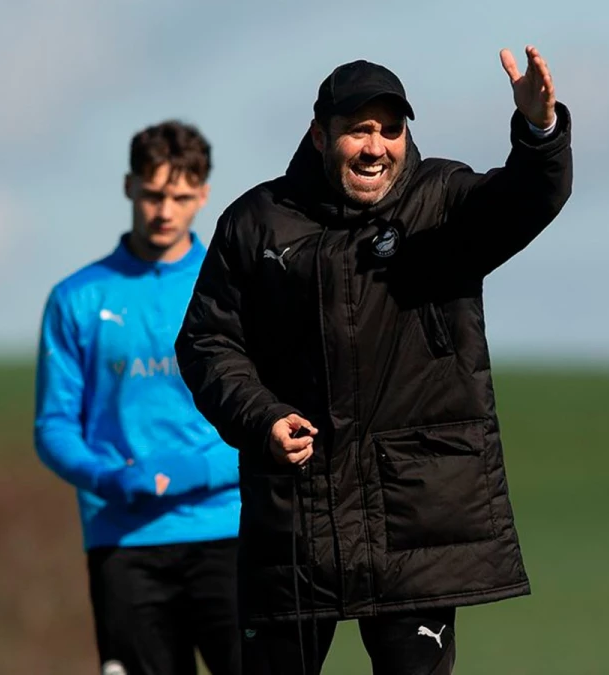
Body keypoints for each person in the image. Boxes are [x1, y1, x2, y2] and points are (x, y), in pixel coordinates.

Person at [173, 46, 572, 675]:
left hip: (415, 527)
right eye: (359, 130)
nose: (376, 146)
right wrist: (262, 417)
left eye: (390, 130)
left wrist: (538, 131)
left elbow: (529, 197)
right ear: (318, 135)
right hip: (295, 528)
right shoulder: (257, 223)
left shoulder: (443, 201)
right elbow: (207, 343)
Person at [33, 120, 242, 675]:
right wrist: (108, 477)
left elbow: (275, 419)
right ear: (129, 187)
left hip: (230, 531)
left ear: (203, 194)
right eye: (152, 194)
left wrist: (196, 468)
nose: (164, 210)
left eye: (179, 196)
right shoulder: (77, 298)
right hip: (123, 541)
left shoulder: (233, 286)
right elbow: (53, 426)